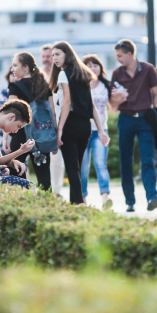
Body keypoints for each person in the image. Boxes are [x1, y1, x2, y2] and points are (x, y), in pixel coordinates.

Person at [50, 41, 109, 205]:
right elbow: (92, 107)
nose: (54, 58)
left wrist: (59, 128)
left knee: (72, 168)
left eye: (57, 54)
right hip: (85, 127)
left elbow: (67, 103)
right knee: (76, 165)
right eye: (53, 55)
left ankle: (80, 204)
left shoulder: (64, 74)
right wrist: (101, 130)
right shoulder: (84, 73)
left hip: (70, 124)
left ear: (67, 54)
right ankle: (75, 203)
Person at [110, 39, 157, 212]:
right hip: (125, 119)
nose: (117, 59)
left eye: (120, 56)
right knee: (126, 161)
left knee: (147, 159)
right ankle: (130, 201)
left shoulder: (148, 69)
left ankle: (152, 197)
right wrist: (117, 99)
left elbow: (156, 93)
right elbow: (112, 103)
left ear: (130, 54)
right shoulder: (117, 73)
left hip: (145, 120)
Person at [8, 52, 57, 190]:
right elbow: (52, 113)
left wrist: (5, 136)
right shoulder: (44, 86)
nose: (12, 69)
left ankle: (23, 203)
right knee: (44, 176)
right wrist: (54, 136)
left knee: (16, 172)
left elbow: (11, 115)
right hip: (41, 134)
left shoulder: (15, 86)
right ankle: (47, 205)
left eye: (15, 65)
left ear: (25, 67)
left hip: (20, 135)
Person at [81, 55, 117, 209]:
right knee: (82, 167)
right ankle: (82, 199)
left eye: (95, 65)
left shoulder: (106, 85)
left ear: (100, 68)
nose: (92, 68)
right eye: (88, 65)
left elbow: (114, 108)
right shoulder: (81, 85)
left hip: (100, 132)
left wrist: (120, 99)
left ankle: (105, 198)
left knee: (100, 164)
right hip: (82, 132)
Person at [0, 99, 37, 175]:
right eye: (18, 126)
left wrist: (12, 162)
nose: (16, 131)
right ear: (11, 117)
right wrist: (21, 151)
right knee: (28, 185)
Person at [41, 44, 65, 196]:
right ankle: (49, 190)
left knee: (58, 159)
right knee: (48, 158)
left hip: (61, 121)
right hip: (45, 123)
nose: (46, 59)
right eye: (43, 56)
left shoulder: (61, 75)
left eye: (48, 56)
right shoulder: (39, 76)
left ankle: (57, 190)